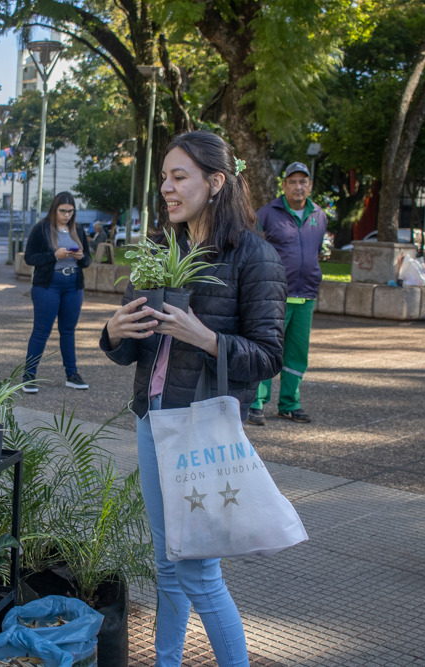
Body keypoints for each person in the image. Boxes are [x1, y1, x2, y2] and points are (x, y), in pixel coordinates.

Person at [100, 131, 285, 666]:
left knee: (199, 572)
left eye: (179, 177)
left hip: (201, 428)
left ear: (216, 181)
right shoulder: (161, 251)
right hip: (152, 418)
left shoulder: (255, 257)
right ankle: (166, 661)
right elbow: (131, 348)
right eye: (164, 177)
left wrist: (204, 337)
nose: (167, 188)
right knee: (165, 563)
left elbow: (269, 356)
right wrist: (114, 331)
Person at [247, 161, 328, 426]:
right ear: (284, 186)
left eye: (302, 181)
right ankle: (256, 403)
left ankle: (290, 404)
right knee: (268, 348)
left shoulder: (319, 216)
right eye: (292, 181)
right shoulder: (268, 214)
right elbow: (253, 250)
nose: (297, 186)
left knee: (296, 354)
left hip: (306, 295)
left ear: (310, 185)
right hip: (274, 295)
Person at [22, 192, 92, 392]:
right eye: (63, 211)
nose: (67, 215)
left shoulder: (77, 230)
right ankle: (29, 375)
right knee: (41, 331)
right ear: (54, 209)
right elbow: (29, 258)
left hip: (73, 286)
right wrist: (54, 255)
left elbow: (87, 261)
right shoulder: (41, 229)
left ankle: (72, 374)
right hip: (48, 286)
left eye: (70, 211)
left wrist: (80, 256)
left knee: (68, 331)